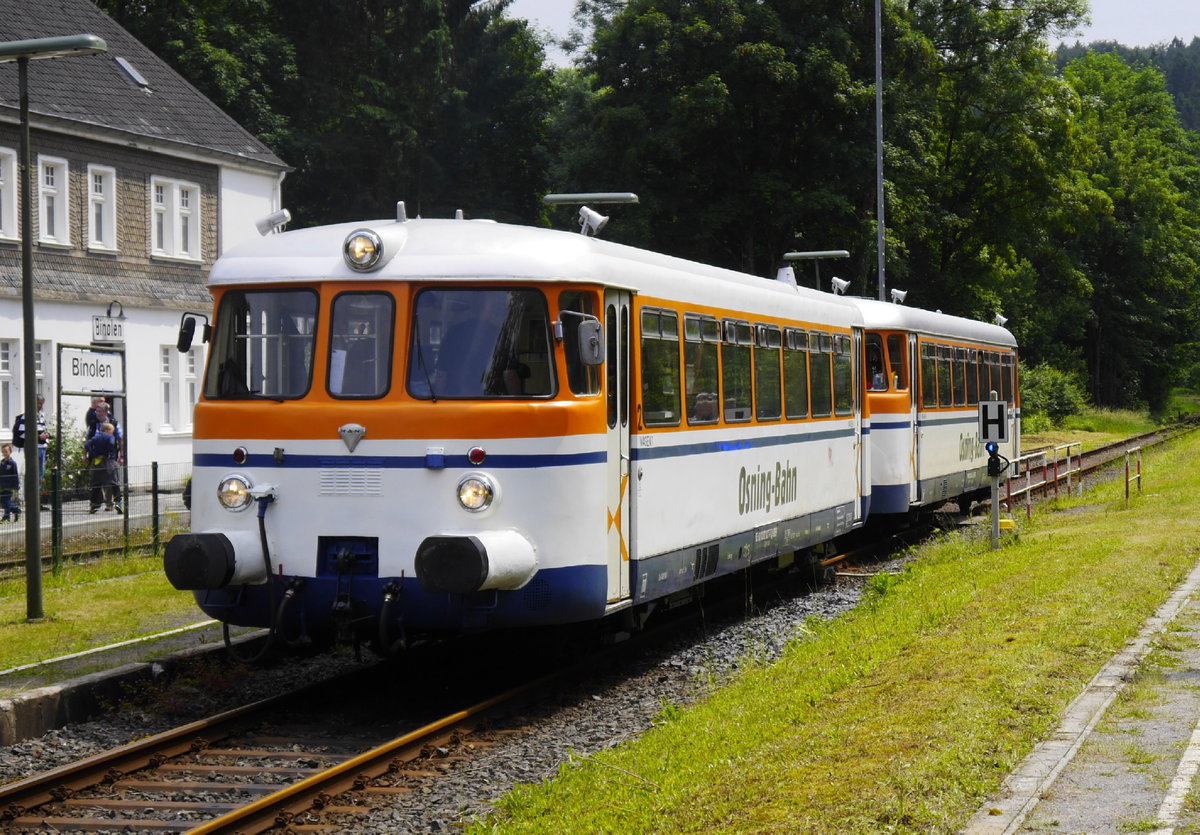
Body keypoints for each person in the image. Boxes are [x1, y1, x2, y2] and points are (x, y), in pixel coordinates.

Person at [12, 394, 50, 507]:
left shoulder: (41, 416)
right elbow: (22, 434)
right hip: (33, 449)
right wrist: (38, 437)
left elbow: (42, 429)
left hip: (42, 448)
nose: (40, 406)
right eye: (38, 403)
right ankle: (32, 502)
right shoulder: (26, 417)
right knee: (33, 474)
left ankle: (37, 502)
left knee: (40, 476)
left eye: (42, 404)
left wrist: (47, 435)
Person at [85, 422, 122, 513]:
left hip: (98, 462)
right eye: (112, 430)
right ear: (108, 430)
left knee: (96, 485)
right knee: (114, 483)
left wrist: (94, 454)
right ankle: (118, 503)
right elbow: (111, 444)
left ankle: (94, 506)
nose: (113, 432)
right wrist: (107, 454)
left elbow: (87, 445)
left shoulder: (96, 437)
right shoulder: (110, 437)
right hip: (109, 462)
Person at [0, 443, 19, 523]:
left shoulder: (12, 463)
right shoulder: (2, 462)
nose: (4, 453)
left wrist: (16, 486)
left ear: (10, 452)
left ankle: (6, 517)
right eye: (3, 451)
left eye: (6, 451)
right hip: (2, 486)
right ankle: (16, 510)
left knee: (6, 501)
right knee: (3, 503)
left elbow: (15, 475)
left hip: (9, 486)